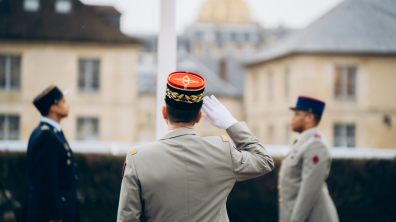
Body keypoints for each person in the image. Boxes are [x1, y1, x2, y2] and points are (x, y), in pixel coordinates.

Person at [117, 71, 274, 222]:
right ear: (199, 116)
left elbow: (128, 218)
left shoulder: (138, 158)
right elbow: (264, 161)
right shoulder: (222, 150)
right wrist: (230, 123)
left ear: (164, 113)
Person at [278, 96, 339, 222]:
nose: (292, 118)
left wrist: (295, 220)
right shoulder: (303, 142)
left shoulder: (315, 145)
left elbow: (310, 189)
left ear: (310, 117)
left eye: (296, 114)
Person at [26, 85, 78, 222]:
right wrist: (55, 216)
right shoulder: (47, 136)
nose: (67, 105)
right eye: (63, 101)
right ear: (53, 108)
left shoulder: (48, 132)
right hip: (51, 216)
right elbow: (47, 180)